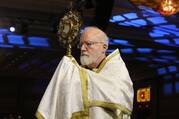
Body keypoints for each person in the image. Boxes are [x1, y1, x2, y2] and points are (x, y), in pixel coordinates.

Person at [36, 26, 134, 119]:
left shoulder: (117, 70)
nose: (82, 49)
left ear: (104, 47)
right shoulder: (81, 73)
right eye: (81, 44)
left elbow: (114, 94)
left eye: (89, 44)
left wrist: (70, 70)